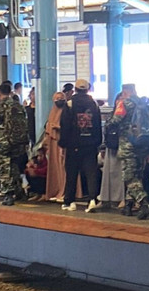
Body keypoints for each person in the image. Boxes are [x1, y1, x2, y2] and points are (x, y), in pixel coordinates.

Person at [104, 83, 149, 219]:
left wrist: (107, 121)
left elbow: (115, 120)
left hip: (128, 145)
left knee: (129, 177)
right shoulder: (144, 104)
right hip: (142, 145)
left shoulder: (124, 103)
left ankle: (144, 203)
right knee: (136, 175)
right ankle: (128, 206)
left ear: (125, 91)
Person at [59, 79, 102, 213]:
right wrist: (97, 141)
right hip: (90, 144)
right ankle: (92, 200)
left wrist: (63, 143)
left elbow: (64, 125)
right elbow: (98, 126)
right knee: (91, 173)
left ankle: (70, 201)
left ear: (75, 89)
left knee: (71, 173)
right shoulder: (94, 104)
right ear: (87, 89)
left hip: (74, 144)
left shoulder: (70, 103)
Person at [0, 83, 29, 206]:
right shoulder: (19, 107)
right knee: (13, 165)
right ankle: (19, 192)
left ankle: (8, 195)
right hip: (18, 142)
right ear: (10, 92)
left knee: (3, 167)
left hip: (3, 142)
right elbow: (25, 124)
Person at [99, 93, 126, 208]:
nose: (119, 102)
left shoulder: (128, 116)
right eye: (118, 100)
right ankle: (105, 198)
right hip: (110, 146)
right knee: (108, 173)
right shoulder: (111, 115)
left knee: (121, 174)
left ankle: (121, 198)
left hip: (123, 147)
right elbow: (106, 131)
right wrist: (103, 147)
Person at [44, 92, 69, 202]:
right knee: (55, 166)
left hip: (63, 141)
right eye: (57, 98)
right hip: (53, 143)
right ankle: (56, 189)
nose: (59, 100)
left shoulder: (67, 110)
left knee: (63, 167)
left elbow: (68, 126)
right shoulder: (52, 111)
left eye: (61, 98)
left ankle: (64, 191)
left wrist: (57, 127)